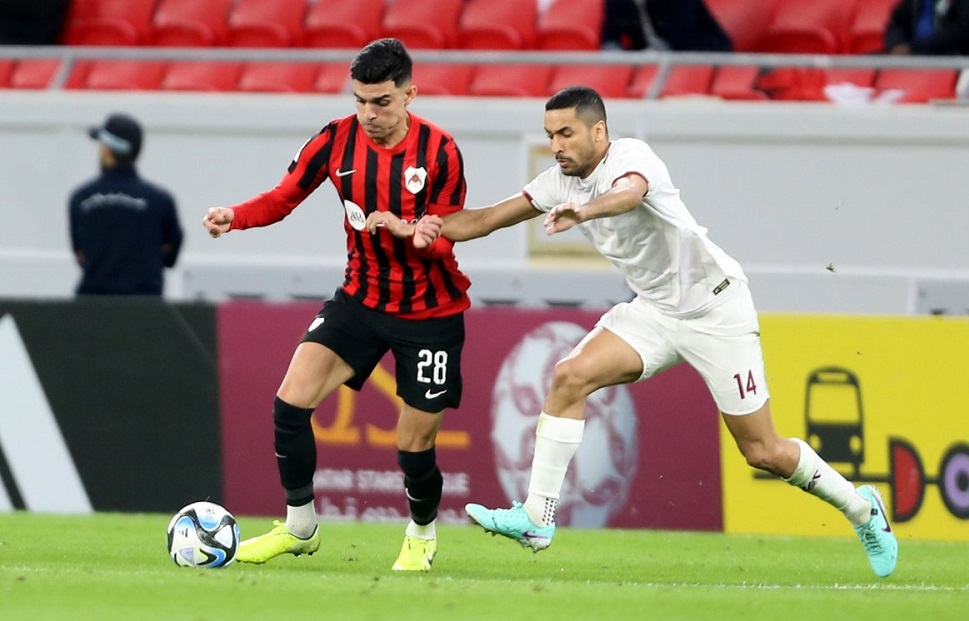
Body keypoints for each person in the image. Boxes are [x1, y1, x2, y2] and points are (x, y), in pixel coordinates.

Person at [367, 86, 899, 579]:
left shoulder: (630, 156)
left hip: (717, 310)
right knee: (569, 377)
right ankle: (537, 516)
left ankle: (862, 507)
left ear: (599, 131)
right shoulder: (558, 182)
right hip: (655, 312)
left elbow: (629, 194)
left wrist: (584, 209)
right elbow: (484, 219)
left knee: (761, 450)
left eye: (566, 133)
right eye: (550, 135)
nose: (556, 145)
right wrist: (422, 224)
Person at [201, 38, 470, 572]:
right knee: (290, 403)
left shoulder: (440, 151)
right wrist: (236, 214)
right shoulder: (335, 139)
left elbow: (449, 236)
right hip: (359, 300)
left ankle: (421, 533)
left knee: (414, 446)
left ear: (410, 95)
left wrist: (409, 230)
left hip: (429, 313)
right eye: (360, 100)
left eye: (382, 102)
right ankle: (300, 528)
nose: (369, 114)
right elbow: (282, 197)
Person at [69, 112, 183, 296]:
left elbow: (80, 255)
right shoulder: (160, 200)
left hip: (92, 309)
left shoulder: (81, 198)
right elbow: (171, 256)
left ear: (107, 149)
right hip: (146, 309)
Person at [601, 0, 732, 52]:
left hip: (698, 53)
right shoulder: (616, 3)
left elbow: (682, 39)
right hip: (647, 61)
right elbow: (609, 39)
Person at [884, 0, 969, 56]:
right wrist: (896, 44)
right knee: (868, 62)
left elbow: (965, 29)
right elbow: (897, 22)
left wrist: (913, 47)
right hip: (915, 57)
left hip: (961, 58)